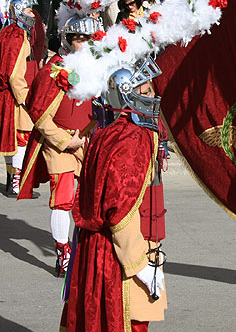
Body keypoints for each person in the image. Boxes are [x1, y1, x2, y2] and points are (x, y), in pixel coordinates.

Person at [60, 57, 167, 332]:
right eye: (145, 91)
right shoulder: (132, 138)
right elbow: (120, 210)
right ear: (128, 94)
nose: (152, 96)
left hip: (98, 248)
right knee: (127, 322)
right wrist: (139, 265)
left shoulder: (109, 131)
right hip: (116, 254)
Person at [18, 15, 103, 276]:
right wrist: (66, 141)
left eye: (87, 40)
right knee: (62, 200)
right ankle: (63, 252)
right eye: (77, 39)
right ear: (67, 40)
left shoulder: (98, 67)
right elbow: (39, 112)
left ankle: (86, 249)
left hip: (88, 139)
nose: (82, 45)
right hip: (59, 143)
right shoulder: (52, 70)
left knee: (92, 197)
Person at [0, 0, 42, 195]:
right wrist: (24, 96)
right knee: (21, 138)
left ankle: (12, 181)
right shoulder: (16, 35)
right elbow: (14, 71)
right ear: (17, 12)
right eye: (26, 10)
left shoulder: (8, 32)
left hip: (10, 94)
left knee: (13, 137)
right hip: (15, 96)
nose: (31, 14)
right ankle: (16, 182)